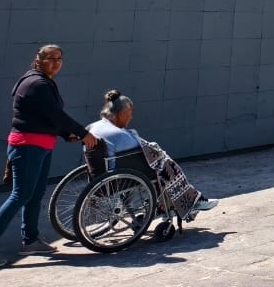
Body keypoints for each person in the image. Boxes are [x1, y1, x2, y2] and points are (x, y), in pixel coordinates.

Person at [0, 44, 97, 268]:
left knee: (35, 194)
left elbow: (45, 117)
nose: (56, 62)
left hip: (40, 146)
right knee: (20, 195)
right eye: (51, 58)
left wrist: (64, 133)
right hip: (28, 146)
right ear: (38, 60)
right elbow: (55, 114)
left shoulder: (43, 82)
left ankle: (30, 240)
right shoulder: (37, 83)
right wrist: (82, 133)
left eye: (59, 58)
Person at [86, 90, 218, 218]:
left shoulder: (93, 127)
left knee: (160, 164)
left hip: (101, 176)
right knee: (166, 166)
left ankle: (173, 202)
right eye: (130, 113)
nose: (131, 117)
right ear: (121, 113)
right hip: (120, 178)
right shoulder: (119, 134)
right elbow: (143, 148)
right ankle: (188, 201)